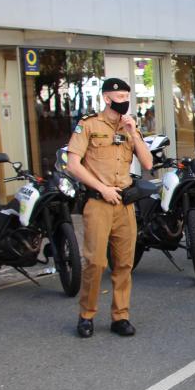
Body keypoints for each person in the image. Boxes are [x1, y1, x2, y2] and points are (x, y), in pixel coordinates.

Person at [66, 78, 153, 338]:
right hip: (99, 202)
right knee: (95, 262)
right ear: (107, 98)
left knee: (125, 263)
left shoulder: (129, 127)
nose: (124, 101)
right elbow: (73, 163)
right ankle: (86, 315)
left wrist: (134, 132)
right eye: (119, 96)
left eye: (127, 95)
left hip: (125, 205)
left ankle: (120, 316)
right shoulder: (89, 125)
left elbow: (147, 163)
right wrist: (101, 187)